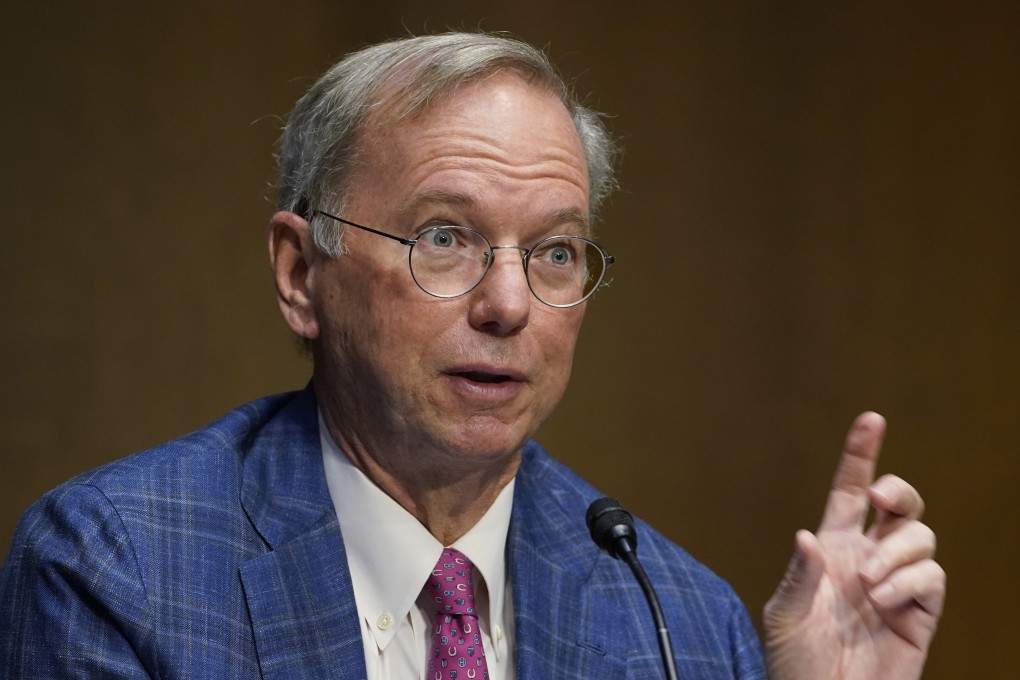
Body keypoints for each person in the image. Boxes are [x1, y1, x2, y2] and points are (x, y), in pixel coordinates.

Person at [0, 32, 944, 679]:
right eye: (443, 238)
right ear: (300, 274)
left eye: (555, 254)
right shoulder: (119, 569)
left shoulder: (682, 621)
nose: (507, 304)